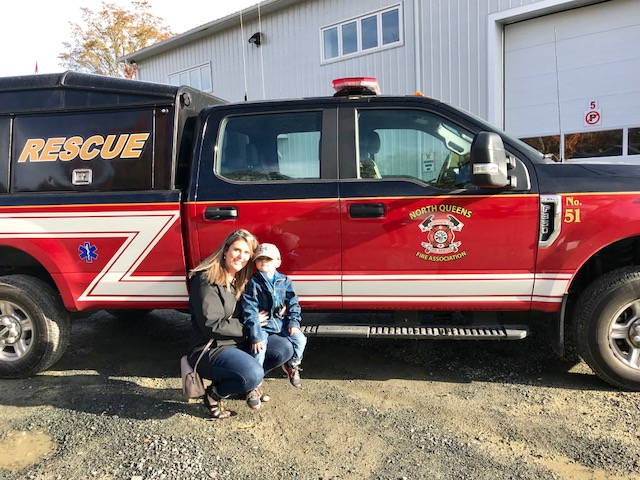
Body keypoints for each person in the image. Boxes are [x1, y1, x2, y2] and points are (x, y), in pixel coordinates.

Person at [186, 229, 294, 418]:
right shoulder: (206, 279)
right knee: (253, 373)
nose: (241, 257)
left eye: (247, 253)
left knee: (283, 348)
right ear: (226, 250)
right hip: (212, 347)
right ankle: (215, 393)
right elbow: (211, 325)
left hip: (238, 342)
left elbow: (257, 307)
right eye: (237, 250)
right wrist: (249, 328)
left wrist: (278, 308)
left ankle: (245, 385)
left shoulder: (241, 278)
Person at [242, 242, 307, 388]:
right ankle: (254, 385)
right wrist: (256, 334)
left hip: (281, 322)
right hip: (263, 325)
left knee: (301, 340)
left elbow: (293, 303)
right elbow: (249, 309)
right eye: (260, 259)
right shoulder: (253, 283)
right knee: (259, 349)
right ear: (255, 262)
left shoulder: (284, 281)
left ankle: (292, 365)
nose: (264, 262)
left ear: (278, 262)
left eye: (268, 259)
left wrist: (293, 322)